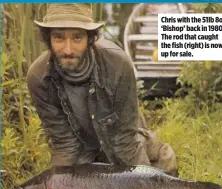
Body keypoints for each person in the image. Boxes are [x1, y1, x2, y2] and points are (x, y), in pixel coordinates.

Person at [27, 3, 178, 176]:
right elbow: (65, 144)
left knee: (163, 169)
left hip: (123, 142)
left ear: (90, 39)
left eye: (77, 38)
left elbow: (125, 140)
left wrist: (143, 184)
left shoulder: (118, 63)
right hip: (83, 153)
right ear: (48, 39)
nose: (68, 49)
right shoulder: (38, 77)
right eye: (59, 38)